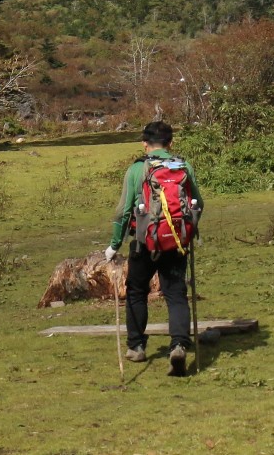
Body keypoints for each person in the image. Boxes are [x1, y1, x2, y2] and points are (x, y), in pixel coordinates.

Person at [105, 119, 202, 376]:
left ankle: (136, 347)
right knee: (175, 293)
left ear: (144, 144)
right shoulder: (182, 166)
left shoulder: (137, 169)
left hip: (143, 241)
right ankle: (179, 343)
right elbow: (197, 204)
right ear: (171, 143)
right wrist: (187, 233)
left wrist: (114, 245)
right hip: (176, 241)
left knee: (136, 290)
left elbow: (123, 211)